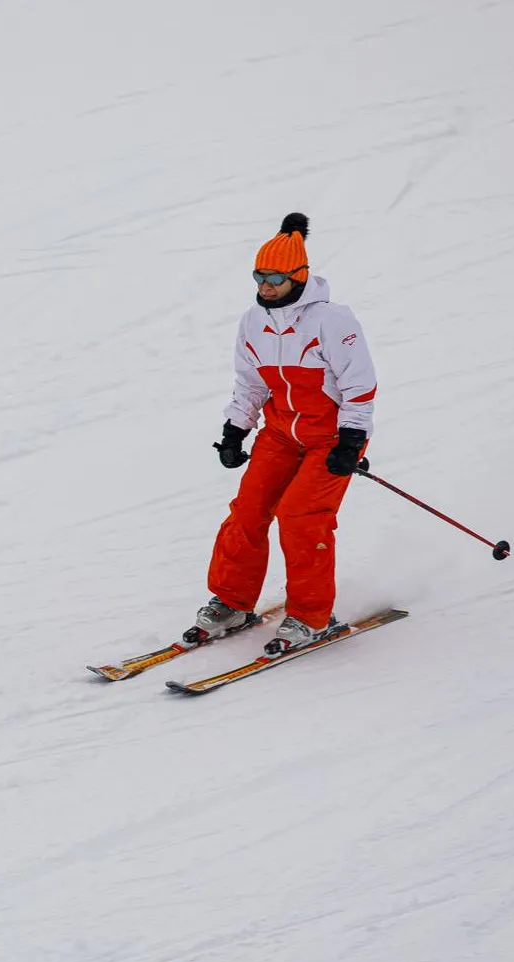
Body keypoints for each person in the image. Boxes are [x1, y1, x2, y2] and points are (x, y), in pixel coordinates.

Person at [187, 213, 377, 656]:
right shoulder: (253, 322)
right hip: (279, 433)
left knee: (299, 517)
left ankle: (312, 614)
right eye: (259, 275)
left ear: (299, 276)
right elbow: (250, 383)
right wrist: (235, 430)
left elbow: (359, 384)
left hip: (331, 438)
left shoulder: (332, 321)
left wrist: (351, 441)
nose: (266, 285)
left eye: (275, 277)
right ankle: (233, 603)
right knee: (247, 511)